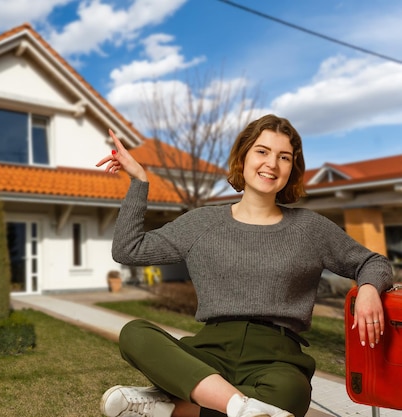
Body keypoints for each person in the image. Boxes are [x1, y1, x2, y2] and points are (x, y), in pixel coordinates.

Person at [95, 114, 393, 417]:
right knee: (135, 332)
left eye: (284, 157)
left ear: (292, 168)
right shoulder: (202, 223)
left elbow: (372, 262)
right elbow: (128, 249)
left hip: (278, 360)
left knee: (290, 394)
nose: (272, 164)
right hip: (207, 354)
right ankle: (238, 406)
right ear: (244, 156)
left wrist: (368, 287)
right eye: (262, 151)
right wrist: (139, 181)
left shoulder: (310, 228)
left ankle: (173, 407)